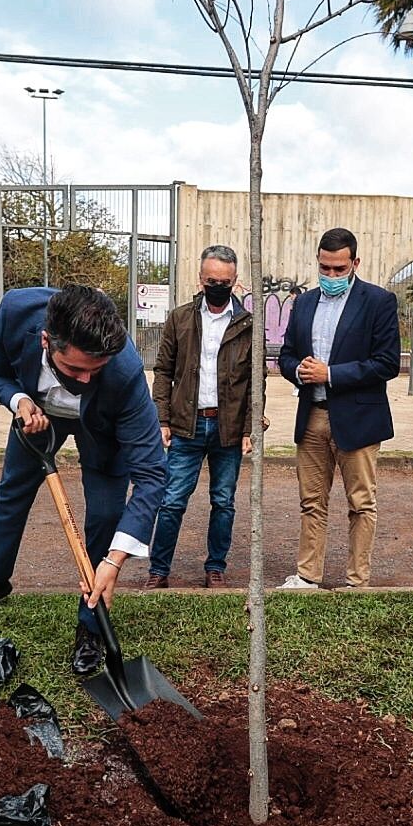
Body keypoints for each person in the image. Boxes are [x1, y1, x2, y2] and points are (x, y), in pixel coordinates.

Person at [0, 284, 167, 676]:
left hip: (101, 427)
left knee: (104, 514)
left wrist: (114, 561)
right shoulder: (16, 312)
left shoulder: (125, 372)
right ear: (47, 340)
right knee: (12, 493)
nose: (84, 379)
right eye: (74, 369)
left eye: (93, 370)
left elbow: (152, 475)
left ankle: (91, 625)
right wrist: (19, 400)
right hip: (36, 416)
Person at [276, 228, 400, 590]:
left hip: (358, 419)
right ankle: (307, 575)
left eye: (338, 269)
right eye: (325, 268)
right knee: (311, 502)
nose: (330, 276)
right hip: (311, 416)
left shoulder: (378, 301)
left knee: (361, 503)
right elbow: (285, 355)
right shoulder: (304, 303)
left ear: (355, 263)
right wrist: (297, 371)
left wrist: (331, 374)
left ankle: (356, 580)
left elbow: (387, 363)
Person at [145, 245, 254, 589]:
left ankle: (215, 568)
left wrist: (251, 427)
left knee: (223, 501)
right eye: (212, 280)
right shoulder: (180, 318)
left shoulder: (249, 324)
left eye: (225, 281)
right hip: (185, 426)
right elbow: (162, 370)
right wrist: (161, 418)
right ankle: (159, 570)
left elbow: (256, 382)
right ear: (200, 279)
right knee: (172, 500)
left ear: (235, 281)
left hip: (229, 428)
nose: (218, 286)